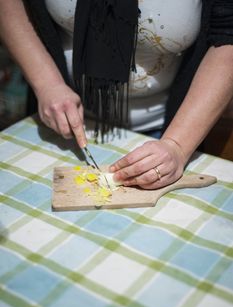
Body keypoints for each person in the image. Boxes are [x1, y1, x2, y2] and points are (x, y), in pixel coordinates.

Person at [0, 0, 233, 190]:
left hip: (165, 133)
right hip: (60, 127)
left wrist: (176, 145)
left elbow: (228, 34)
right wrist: (47, 83)